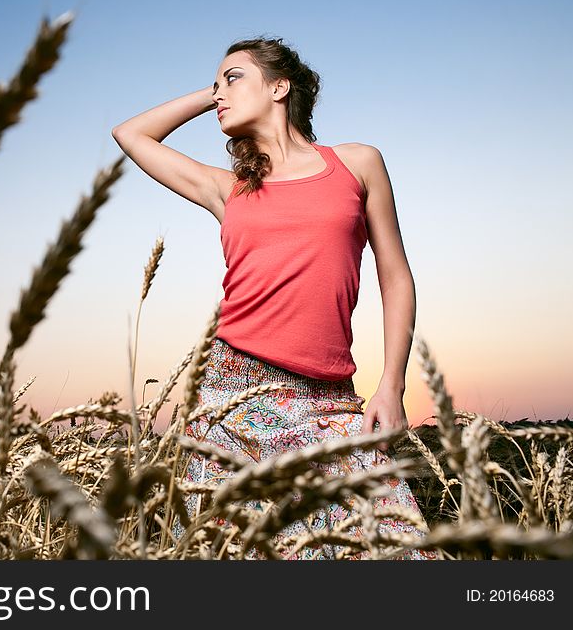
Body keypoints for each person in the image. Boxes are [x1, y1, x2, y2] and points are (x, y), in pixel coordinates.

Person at [111, 37, 438, 560]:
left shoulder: (357, 164)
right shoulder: (228, 188)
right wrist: (215, 93)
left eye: (234, 76)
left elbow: (395, 277)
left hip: (327, 399)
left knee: (397, 549)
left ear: (280, 86)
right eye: (217, 82)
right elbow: (130, 134)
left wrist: (392, 384)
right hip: (229, 399)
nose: (221, 91)